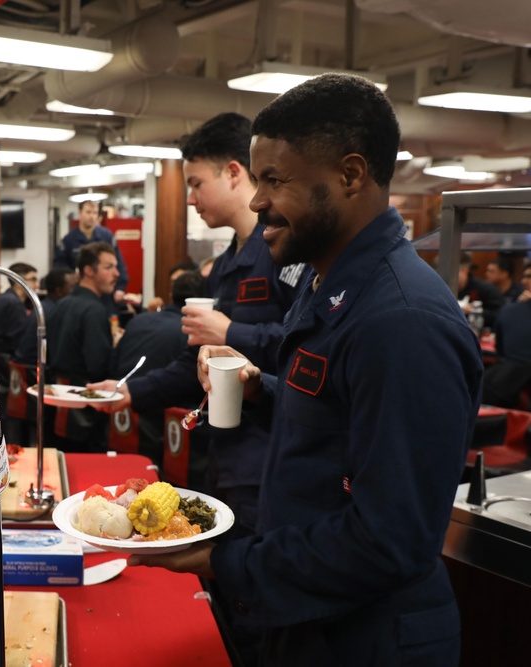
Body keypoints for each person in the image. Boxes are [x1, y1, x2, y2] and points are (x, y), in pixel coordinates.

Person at [132, 73, 483, 667]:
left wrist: (223, 559)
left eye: (275, 180)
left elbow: (387, 542)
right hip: (310, 619)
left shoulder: (402, 321)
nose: (259, 200)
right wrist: (263, 389)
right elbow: (340, 412)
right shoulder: (328, 284)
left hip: (369, 642)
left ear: (350, 175)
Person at [92, 112, 311, 667]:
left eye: (195, 183)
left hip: (270, 453)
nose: (190, 197)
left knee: (256, 595)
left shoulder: (283, 249)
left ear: (235, 173)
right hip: (224, 450)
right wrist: (127, 393)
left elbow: (310, 346)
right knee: (226, 596)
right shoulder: (225, 268)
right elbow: (194, 365)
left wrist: (234, 333)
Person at [112, 270, 205, 463]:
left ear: (171, 295)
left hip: (119, 419)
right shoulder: (192, 334)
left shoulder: (137, 320)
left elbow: (114, 363)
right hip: (163, 430)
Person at [45, 242, 121, 453]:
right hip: (84, 407)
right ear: (89, 270)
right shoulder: (94, 310)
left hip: (58, 400)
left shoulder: (62, 303)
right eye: (108, 267)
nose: (116, 273)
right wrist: (115, 347)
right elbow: (98, 366)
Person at [0, 261, 38, 444]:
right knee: (9, 408)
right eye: (32, 279)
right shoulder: (13, 303)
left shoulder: (3, 298)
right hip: (3, 360)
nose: (36, 285)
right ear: (18, 282)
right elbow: (19, 340)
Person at [54, 200, 129, 310]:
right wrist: (72, 276)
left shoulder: (106, 236)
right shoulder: (69, 239)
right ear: (80, 213)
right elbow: (59, 266)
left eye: (95, 213)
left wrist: (120, 288)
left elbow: (118, 264)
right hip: (80, 292)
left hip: (105, 293)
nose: (92, 216)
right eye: (88, 212)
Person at [483, 261, 531, 408]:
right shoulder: (510, 311)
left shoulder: (509, 310)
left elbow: (501, 351)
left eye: (528, 277)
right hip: (512, 391)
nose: (524, 281)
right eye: (525, 276)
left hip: (505, 389)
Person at [456, 251, 504, 329]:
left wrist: (474, 311)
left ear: (465, 270)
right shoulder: (444, 289)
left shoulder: (486, 289)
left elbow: (499, 315)